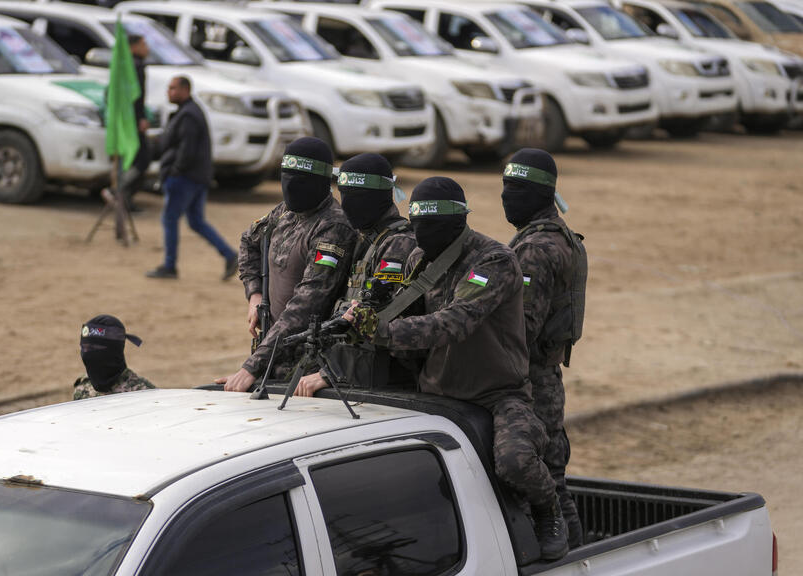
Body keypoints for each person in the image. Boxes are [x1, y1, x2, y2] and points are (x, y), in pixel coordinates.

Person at [342, 176, 569, 561]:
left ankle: (549, 511)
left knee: (515, 462)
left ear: (457, 223)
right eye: (416, 225)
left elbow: (454, 323)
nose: (419, 235)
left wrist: (379, 331)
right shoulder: (419, 257)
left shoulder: (494, 260)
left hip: (498, 395)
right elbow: (405, 310)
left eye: (429, 227)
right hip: (436, 392)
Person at [218, 137, 356, 393]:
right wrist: (255, 295)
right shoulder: (286, 212)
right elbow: (249, 241)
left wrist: (251, 368)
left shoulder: (332, 227)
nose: (291, 187)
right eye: (286, 177)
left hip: (306, 367)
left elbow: (305, 306)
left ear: (321, 182)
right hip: (271, 354)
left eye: (300, 180)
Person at [502, 148, 587, 548]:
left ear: (541, 194)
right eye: (505, 187)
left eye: (516, 188)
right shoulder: (555, 235)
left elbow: (521, 327)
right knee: (554, 477)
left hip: (532, 379)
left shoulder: (536, 248)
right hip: (546, 375)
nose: (506, 197)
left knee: (545, 482)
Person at [294, 152, 417, 397]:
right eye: (344, 195)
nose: (347, 204)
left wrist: (329, 373)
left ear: (380, 197)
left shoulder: (399, 245)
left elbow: (379, 319)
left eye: (357, 197)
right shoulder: (366, 238)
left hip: (384, 383)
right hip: (353, 374)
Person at [146, 75, 237, 280]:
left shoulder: (188, 115)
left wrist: (175, 171)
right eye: (168, 88)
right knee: (196, 221)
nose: (169, 92)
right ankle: (229, 255)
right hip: (195, 176)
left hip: (185, 178)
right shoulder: (188, 112)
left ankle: (169, 266)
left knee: (170, 219)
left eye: (173, 89)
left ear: (185, 90)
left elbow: (187, 150)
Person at [73, 315, 156, 400]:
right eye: (84, 348)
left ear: (113, 350)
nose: (87, 354)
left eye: (94, 348)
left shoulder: (145, 395)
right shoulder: (83, 388)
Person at [124, 34, 151, 203]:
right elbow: (136, 97)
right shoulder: (136, 66)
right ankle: (119, 190)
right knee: (142, 159)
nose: (147, 48)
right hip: (133, 122)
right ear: (134, 46)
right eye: (143, 44)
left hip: (126, 121)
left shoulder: (125, 65)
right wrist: (140, 118)